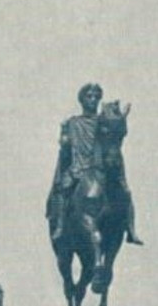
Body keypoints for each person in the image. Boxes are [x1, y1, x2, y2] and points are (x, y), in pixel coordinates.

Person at [47, 83, 141, 247]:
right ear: (82, 100)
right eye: (89, 96)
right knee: (64, 187)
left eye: (96, 97)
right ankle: (60, 225)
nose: (93, 100)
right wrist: (64, 136)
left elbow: (115, 136)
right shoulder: (73, 122)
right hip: (78, 167)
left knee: (125, 192)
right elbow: (66, 148)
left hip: (101, 167)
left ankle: (131, 230)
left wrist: (121, 118)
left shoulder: (103, 121)